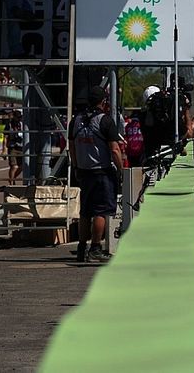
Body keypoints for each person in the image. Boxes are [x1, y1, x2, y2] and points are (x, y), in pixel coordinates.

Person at [67, 86, 123, 263]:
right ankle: (95, 248)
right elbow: (115, 150)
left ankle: (82, 248)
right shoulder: (105, 121)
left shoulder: (75, 121)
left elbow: (72, 147)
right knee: (101, 211)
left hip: (83, 171)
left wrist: (76, 167)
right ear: (103, 101)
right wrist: (121, 170)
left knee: (85, 212)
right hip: (101, 172)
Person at [5, 112, 24, 185]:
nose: (19, 119)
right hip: (13, 147)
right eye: (17, 117)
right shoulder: (9, 125)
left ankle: (12, 178)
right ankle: (12, 182)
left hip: (21, 147)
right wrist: (4, 149)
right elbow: (6, 137)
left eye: (20, 117)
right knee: (14, 166)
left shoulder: (22, 124)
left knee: (22, 166)